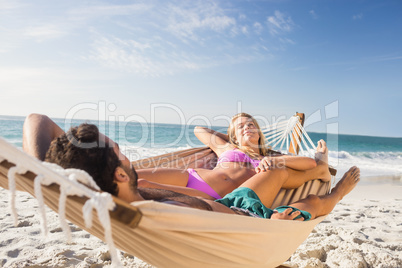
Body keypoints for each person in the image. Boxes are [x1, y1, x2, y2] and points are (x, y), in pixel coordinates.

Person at [23, 113, 360, 221]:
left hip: (228, 194)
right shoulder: (158, 200)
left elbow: (35, 120)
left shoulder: (126, 188)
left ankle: (321, 172)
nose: (125, 152)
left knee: (281, 171)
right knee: (307, 200)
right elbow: (226, 212)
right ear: (120, 173)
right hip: (227, 200)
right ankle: (333, 186)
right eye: (120, 152)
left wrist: (44, 171)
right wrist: (273, 218)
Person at [137, 112, 331, 199]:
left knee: (143, 186)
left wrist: (271, 158)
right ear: (233, 135)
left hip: (214, 198)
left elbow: (308, 163)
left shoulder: (272, 158)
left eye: (251, 125)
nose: (247, 127)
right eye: (241, 126)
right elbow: (199, 129)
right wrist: (235, 139)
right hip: (192, 177)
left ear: (259, 131)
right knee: (131, 176)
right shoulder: (228, 148)